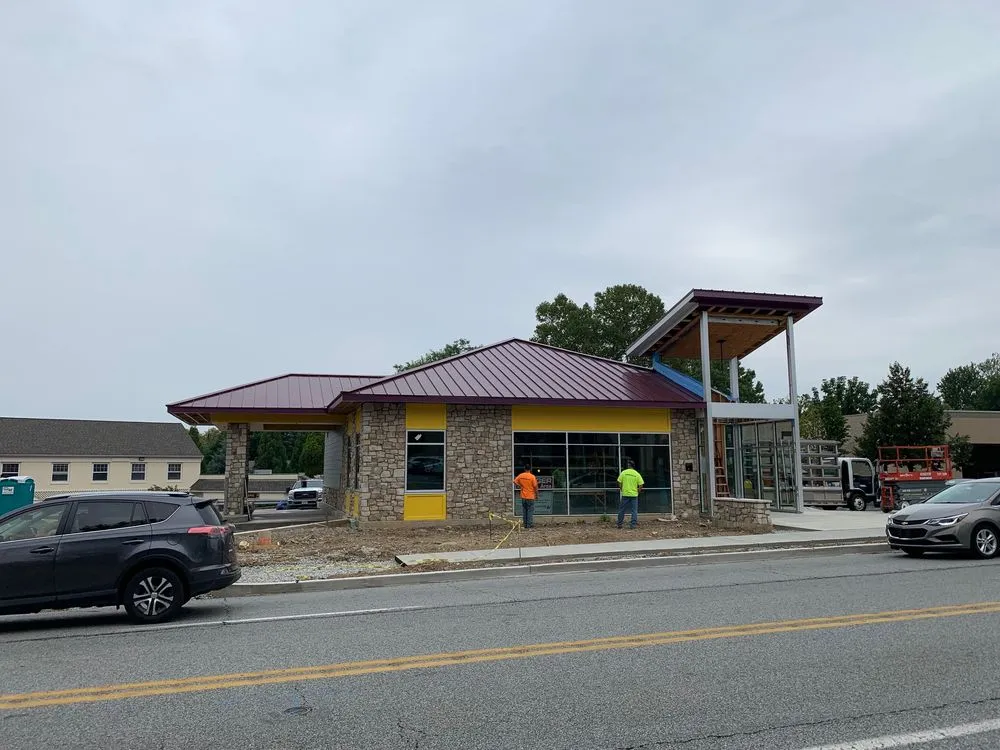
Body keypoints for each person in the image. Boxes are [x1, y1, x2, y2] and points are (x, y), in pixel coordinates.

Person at [616, 458, 644, 529]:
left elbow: (619, 481)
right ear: (633, 466)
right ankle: (633, 525)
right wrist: (638, 491)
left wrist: (621, 488)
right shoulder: (637, 474)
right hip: (634, 495)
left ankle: (619, 524)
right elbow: (641, 484)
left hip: (625, 494)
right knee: (634, 511)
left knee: (622, 509)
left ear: (628, 465)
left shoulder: (624, 472)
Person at [513, 465, 538, 529]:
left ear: (524, 469)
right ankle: (529, 525)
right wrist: (536, 495)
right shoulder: (532, 477)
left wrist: (520, 486)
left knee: (524, 511)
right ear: (530, 469)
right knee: (530, 511)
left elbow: (514, 481)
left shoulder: (521, 475)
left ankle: (525, 524)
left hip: (523, 496)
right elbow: (535, 486)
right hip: (530, 496)